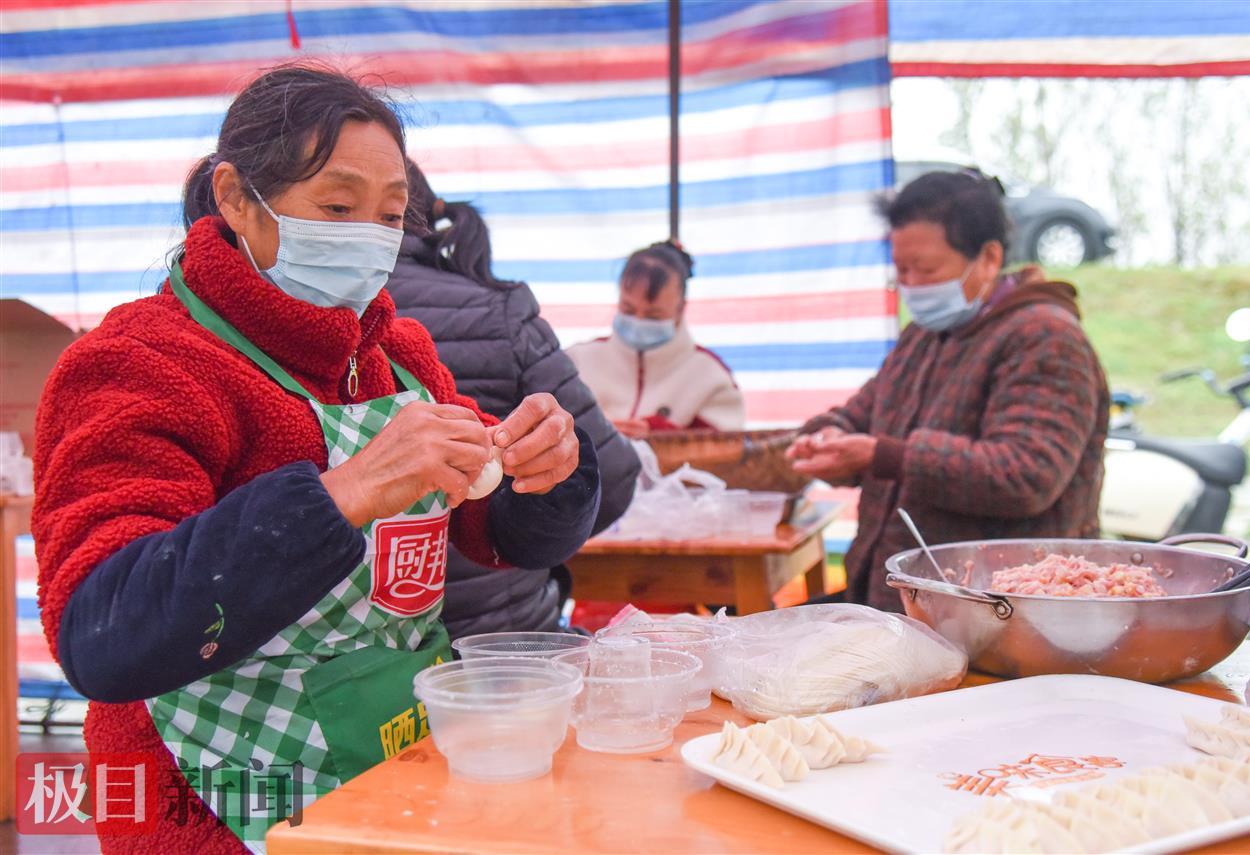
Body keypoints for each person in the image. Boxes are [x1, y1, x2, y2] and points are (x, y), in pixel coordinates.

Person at [32, 65, 600, 854]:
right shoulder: (141, 362)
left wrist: (547, 473)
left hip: (390, 757)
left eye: (391, 216)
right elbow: (102, 628)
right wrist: (345, 492)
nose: (368, 238)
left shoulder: (395, 353)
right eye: (337, 207)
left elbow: (493, 531)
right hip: (212, 799)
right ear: (235, 198)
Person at [787, 170, 1108, 612]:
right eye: (902, 270)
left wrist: (882, 455)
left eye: (928, 269)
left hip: (997, 615)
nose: (913, 285)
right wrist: (828, 435)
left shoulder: (1045, 338)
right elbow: (863, 413)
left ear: (989, 258)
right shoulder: (922, 335)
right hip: (902, 604)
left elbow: (1026, 474)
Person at [386, 161, 640, 638]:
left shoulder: (414, 349)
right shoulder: (497, 311)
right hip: (501, 636)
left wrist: (557, 469)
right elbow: (617, 477)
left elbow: (582, 471)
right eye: (336, 207)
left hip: (418, 652)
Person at [567, 241, 745, 438]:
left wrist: (661, 438)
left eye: (654, 315)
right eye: (628, 310)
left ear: (680, 309)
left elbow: (726, 454)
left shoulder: (711, 377)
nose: (638, 321)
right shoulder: (577, 362)